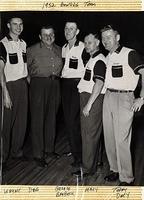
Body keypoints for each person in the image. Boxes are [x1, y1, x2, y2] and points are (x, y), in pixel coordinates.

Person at [101, 24, 144, 186]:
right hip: (109, 97)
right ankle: (115, 170)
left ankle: (126, 178)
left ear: (117, 38)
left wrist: (142, 97)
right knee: (110, 138)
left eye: (109, 37)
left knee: (121, 140)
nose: (105, 41)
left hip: (124, 98)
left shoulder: (129, 54)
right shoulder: (107, 57)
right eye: (103, 38)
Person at [27, 25, 63, 167]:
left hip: (55, 85)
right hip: (38, 85)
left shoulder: (60, 49)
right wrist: (35, 86)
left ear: (54, 35)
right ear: (40, 36)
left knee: (51, 118)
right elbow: (26, 71)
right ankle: (38, 154)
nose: (48, 37)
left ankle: (49, 149)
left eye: (51, 34)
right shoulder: (31, 50)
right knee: (38, 120)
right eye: (45, 34)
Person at [72, 32, 106, 177]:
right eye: (85, 43)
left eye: (90, 42)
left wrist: (89, 105)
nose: (86, 45)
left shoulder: (99, 60)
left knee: (88, 134)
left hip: (92, 99)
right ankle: (95, 162)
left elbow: (99, 83)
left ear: (97, 43)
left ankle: (87, 169)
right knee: (92, 133)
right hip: (88, 97)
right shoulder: (92, 59)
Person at [0, 17, 28, 169]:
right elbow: (0, 71)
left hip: (22, 85)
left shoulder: (23, 44)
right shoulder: (2, 44)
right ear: (8, 25)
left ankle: (16, 151)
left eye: (20, 24)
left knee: (21, 122)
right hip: (9, 86)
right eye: (15, 24)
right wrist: (5, 93)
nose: (18, 27)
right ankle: (2, 158)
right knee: (6, 124)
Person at [61, 21, 89, 168]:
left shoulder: (83, 47)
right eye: (66, 28)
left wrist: (83, 86)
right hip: (65, 85)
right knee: (69, 121)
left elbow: (88, 68)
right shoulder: (64, 48)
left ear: (77, 31)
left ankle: (80, 157)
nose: (68, 31)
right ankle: (76, 151)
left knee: (74, 122)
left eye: (71, 29)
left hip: (77, 85)